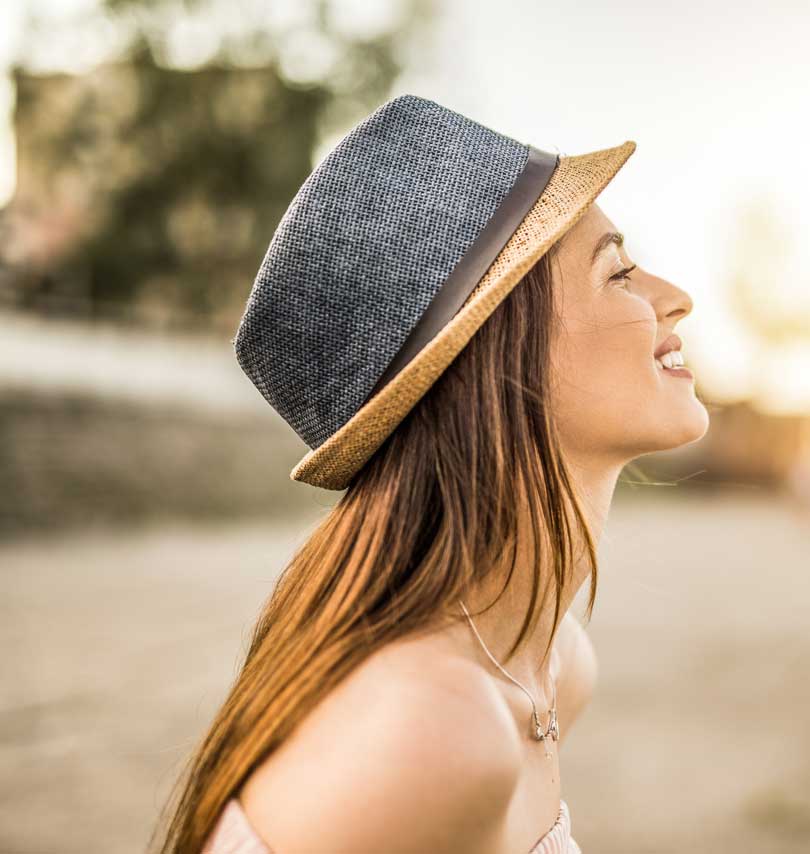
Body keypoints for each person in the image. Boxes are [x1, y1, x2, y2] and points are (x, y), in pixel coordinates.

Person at [152, 93, 707, 854]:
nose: (676, 300)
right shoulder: (433, 727)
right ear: (497, 355)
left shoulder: (552, 666)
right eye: (619, 274)